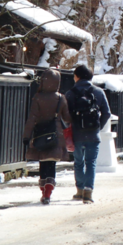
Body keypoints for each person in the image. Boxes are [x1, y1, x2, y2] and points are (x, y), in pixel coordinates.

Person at [24, 69, 72, 205]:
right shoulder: (60, 98)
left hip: (40, 133)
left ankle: (44, 190)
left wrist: (26, 136)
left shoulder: (38, 98)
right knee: (51, 163)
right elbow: (67, 117)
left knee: (43, 162)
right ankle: (48, 191)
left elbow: (31, 119)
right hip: (56, 135)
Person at [65, 64, 111, 204]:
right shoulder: (98, 92)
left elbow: (65, 116)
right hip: (93, 134)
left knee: (78, 162)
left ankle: (79, 190)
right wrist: (98, 126)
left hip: (77, 135)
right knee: (91, 163)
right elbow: (107, 113)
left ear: (77, 77)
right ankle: (88, 192)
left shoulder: (70, 93)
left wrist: (69, 129)